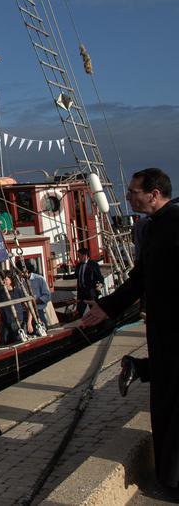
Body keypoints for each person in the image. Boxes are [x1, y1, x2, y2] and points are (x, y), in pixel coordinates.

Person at [82, 168, 179, 490]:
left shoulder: (174, 223)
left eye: (133, 191)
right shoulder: (151, 229)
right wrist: (107, 306)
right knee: (165, 402)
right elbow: (140, 278)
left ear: (154, 194)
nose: (127, 196)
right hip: (165, 329)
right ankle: (169, 477)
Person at [75, 247, 104, 314]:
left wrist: (100, 285)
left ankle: (98, 323)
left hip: (91, 293)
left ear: (84, 256)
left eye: (79, 256)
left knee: (95, 312)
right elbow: (75, 275)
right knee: (79, 312)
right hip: (81, 293)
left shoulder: (93, 264)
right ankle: (80, 323)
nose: (78, 257)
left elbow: (100, 277)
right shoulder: (79, 265)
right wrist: (62, 276)